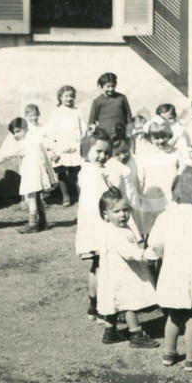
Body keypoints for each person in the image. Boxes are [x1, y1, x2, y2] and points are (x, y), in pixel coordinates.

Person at [143, 168, 192, 372]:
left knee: (174, 314)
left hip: (174, 272)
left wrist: (150, 257)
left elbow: (155, 243)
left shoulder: (165, 217)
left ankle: (169, 353)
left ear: (175, 191)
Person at [95, 188, 160, 348]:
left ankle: (110, 331)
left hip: (112, 274)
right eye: (116, 211)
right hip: (123, 275)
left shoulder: (116, 228)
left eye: (125, 210)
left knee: (114, 302)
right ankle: (136, 333)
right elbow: (128, 251)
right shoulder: (115, 232)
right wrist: (142, 255)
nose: (122, 215)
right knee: (129, 303)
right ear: (105, 215)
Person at [76, 129, 114, 321]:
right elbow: (105, 201)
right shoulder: (96, 173)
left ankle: (93, 305)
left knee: (95, 265)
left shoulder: (86, 170)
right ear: (86, 150)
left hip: (89, 225)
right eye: (98, 151)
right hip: (98, 224)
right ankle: (101, 308)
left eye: (107, 153)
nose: (103, 156)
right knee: (102, 267)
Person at [0, 117, 57, 234]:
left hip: (31, 174)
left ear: (26, 128)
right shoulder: (35, 139)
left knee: (31, 198)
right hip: (38, 172)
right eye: (14, 133)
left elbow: (8, 154)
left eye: (18, 131)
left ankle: (32, 224)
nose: (15, 135)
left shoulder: (24, 143)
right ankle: (43, 222)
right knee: (38, 197)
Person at [134, 121, 185, 238]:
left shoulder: (176, 153)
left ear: (169, 136)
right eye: (156, 138)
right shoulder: (145, 155)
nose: (161, 141)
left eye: (163, 137)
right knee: (151, 226)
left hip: (170, 196)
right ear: (150, 138)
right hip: (151, 196)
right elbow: (140, 178)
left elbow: (180, 174)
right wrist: (140, 195)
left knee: (170, 224)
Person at [45, 85, 87, 206]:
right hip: (61, 145)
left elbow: (82, 128)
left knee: (76, 170)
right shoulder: (55, 113)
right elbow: (51, 130)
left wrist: (82, 142)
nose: (69, 99)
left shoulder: (77, 111)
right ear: (60, 97)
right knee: (61, 171)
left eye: (71, 96)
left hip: (74, 144)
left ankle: (81, 195)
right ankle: (65, 196)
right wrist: (53, 148)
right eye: (66, 96)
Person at [88, 72, 132, 138]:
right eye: (108, 87)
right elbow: (92, 120)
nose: (111, 89)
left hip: (120, 134)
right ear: (101, 87)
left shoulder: (122, 98)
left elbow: (128, 115)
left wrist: (129, 131)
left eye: (113, 86)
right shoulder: (97, 101)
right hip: (104, 135)